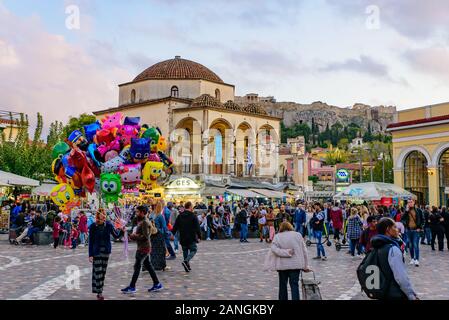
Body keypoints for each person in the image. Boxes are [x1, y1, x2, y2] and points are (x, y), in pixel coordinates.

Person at [369, 218, 419, 300]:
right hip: (394, 292)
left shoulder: (377, 246)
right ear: (388, 229)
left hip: (383, 291)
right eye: (395, 227)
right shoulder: (392, 249)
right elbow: (400, 277)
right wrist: (411, 294)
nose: (397, 230)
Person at [264, 221, 311, 300]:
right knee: (294, 285)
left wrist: (285, 252)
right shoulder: (298, 235)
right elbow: (304, 251)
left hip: (282, 265)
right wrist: (305, 266)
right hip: (296, 265)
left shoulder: (277, 236)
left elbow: (274, 249)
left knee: (282, 285)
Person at [121, 205, 163, 294]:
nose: (136, 213)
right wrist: (127, 231)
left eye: (137, 212)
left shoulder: (145, 222)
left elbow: (145, 236)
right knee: (148, 266)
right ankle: (157, 283)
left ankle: (132, 286)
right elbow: (135, 231)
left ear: (142, 212)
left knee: (137, 266)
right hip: (142, 247)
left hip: (144, 248)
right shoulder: (140, 221)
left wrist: (133, 236)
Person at [88, 209, 123, 300]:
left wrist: (122, 230)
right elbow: (91, 241)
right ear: (98, 215)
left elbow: (116, 236)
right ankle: (99, 293)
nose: (103, 215)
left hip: (106, 251)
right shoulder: (93, 226)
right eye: (101, 214)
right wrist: (90, 254)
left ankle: (100, 290)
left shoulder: (108, 225)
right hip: (97, 251)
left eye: (104, 214)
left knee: (103, 272)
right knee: (98, 271)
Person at [172, 201, 202, 272]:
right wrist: (200, 236)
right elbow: (197, 227)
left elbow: (175, 227)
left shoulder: (180, 216)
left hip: (182, 236)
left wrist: (172, 234)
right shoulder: (193, 216)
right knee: (194, 249)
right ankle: (186, 261)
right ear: (190, 207)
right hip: (191, 237)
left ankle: (186, 266)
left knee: (185, 251)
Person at [401, 200, 424, 266]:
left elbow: (423, 220)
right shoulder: (406, 211)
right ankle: (412, 259)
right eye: (408, 202)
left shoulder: (418, 210)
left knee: (415, 244)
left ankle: (416, 259)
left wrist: (420, 227)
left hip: (416, 230)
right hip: (408, 230)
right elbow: (402, 219)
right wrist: (406, 212)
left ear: (414, 202)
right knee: (410, 245)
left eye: (411, 202)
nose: (410, 203)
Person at [149, 201, 168, 271]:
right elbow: (164, 227)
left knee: (153, 250)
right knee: (161, 250)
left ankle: (154, 264)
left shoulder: (150, 215)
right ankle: (161, 265)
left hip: (152, 234)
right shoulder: (160, 216)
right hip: (159, 234)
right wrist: (167, 234)